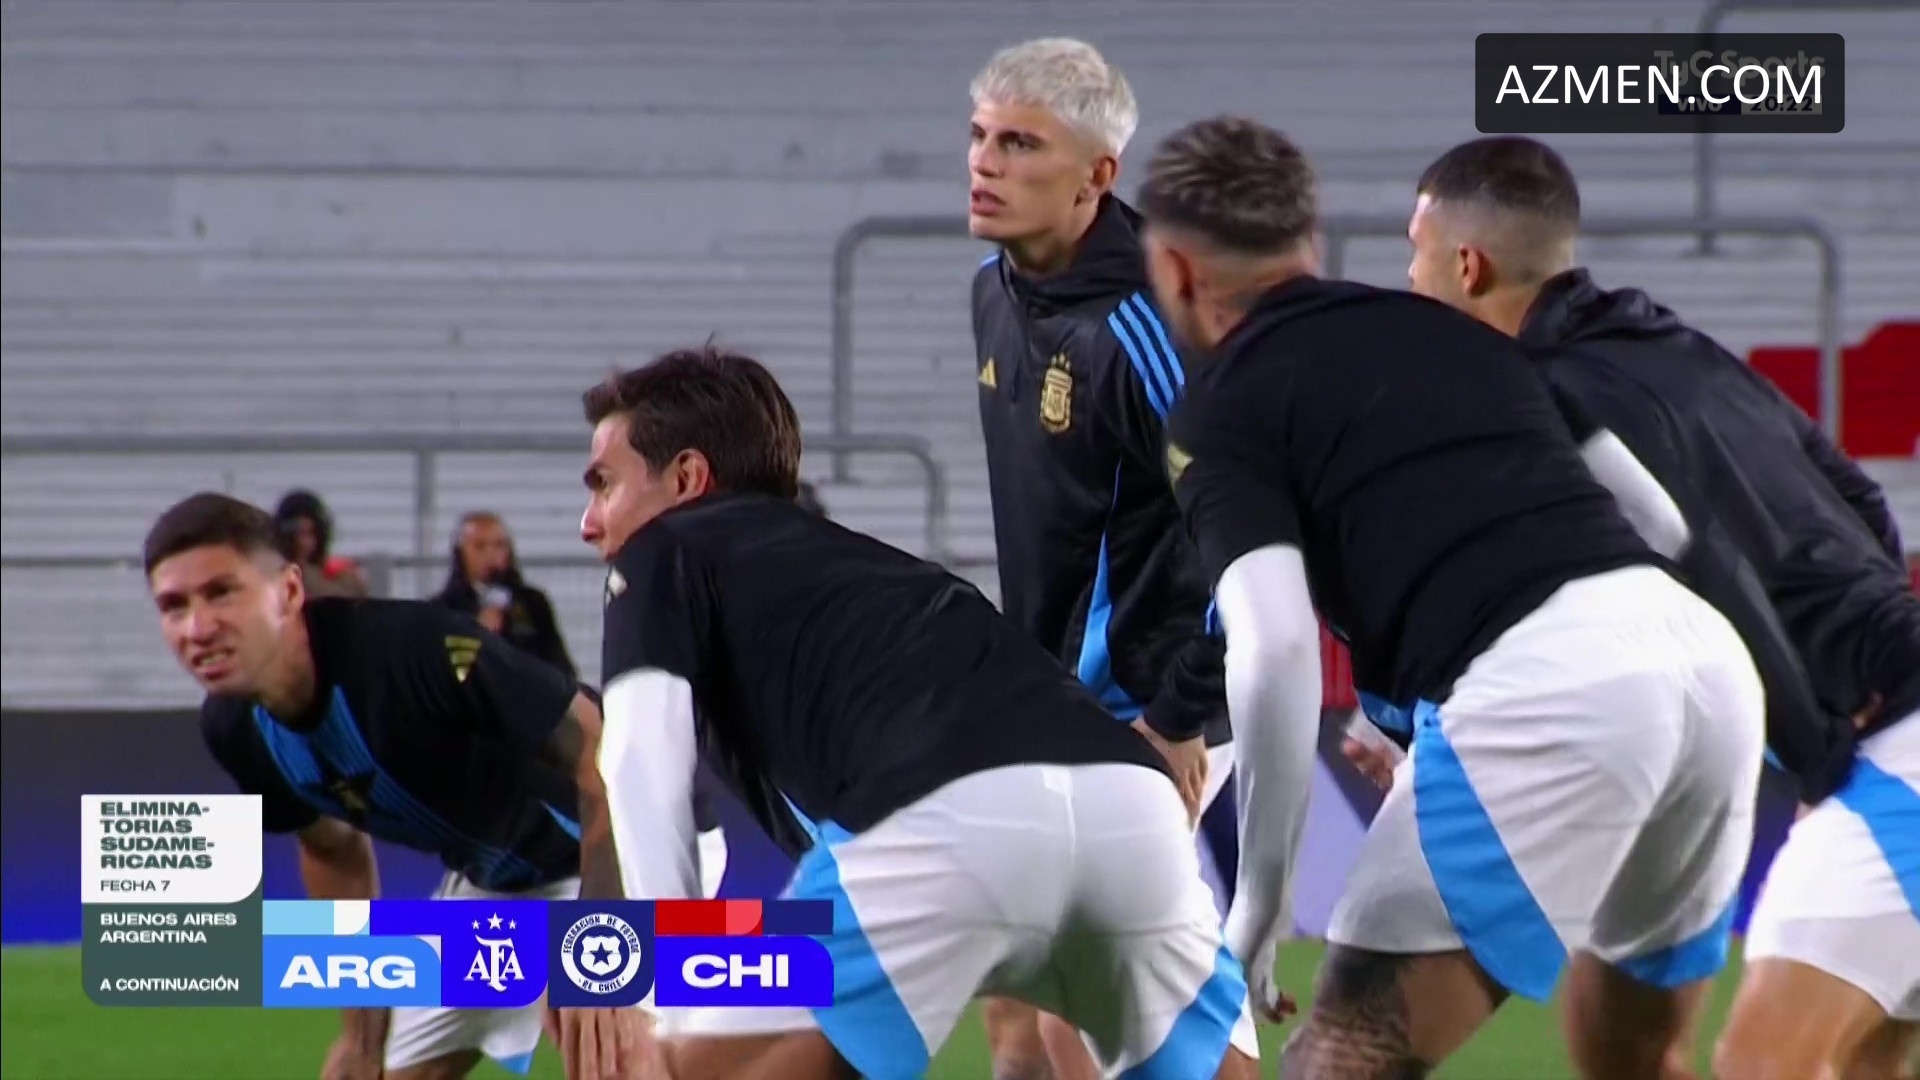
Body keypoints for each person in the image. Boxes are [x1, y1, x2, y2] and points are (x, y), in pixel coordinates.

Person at [1135, 116, 1768, 1079]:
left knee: (1343, 1054)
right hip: (1705, 668)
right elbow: (1659, 521)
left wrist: (1259, 903)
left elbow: (1274, 649)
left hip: (1548, 690)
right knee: (1632, 1058)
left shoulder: (1219, 405)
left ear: (1176, 270)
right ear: (1307, 242)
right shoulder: (1462, 334)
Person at [572, 345, 1259, 1080]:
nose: (589, 523)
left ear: (687, 478)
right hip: (1129, 804)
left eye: (604, 485)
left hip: (941, 823)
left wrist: (665, 992)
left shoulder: (662, 550)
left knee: (673, 1069)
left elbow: (638, 758)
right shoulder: (880, 576)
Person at [1405, 134, 1920, 1080]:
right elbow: (1852, 489)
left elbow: (1692, 555)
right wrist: (1870, 639)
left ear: (1466, 266)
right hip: (1877, 698)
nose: (1409, 277)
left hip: (1893, 744)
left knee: (1765, 1064)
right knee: (1846, 1062)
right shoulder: (1670, 342)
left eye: (1416, 252)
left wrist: (1818, 750)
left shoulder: (1542, 401)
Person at [144, 492, 625, 1080]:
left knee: (628, 1060)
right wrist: (361, 1036)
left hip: (624, 848)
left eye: (222, 592)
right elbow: (335, 854)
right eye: (173, 606)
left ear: (289, 590)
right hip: (500, 887)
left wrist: (601, 936)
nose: (198, 627)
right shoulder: (235, 730)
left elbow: (605, 752)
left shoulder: (408, 650)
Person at [969, 38, 1236, 1078]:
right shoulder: (992, 291)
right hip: (1052, 708)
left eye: (1020, 143)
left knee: (1085, 1018)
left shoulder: (1147, 326)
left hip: (1150, 710)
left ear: (1097, 175)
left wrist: (1178, 716)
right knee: (1018, 1006)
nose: (985, 161)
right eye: (981, 135)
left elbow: (1253, 537)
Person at [433, 510, 577, 680]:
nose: (490, 554)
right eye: (479, 546)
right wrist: (476, 634)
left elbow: (559, 664)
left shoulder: (533, 603)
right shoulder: (443, 609)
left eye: (499, 545)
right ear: (461, 553)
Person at [275, 489, 370, 599]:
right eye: (296, 534)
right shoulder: (272, 572)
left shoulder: (340, 572)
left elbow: (342, 598)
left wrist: (304, 567)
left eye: (309, 533)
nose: (303, 542)